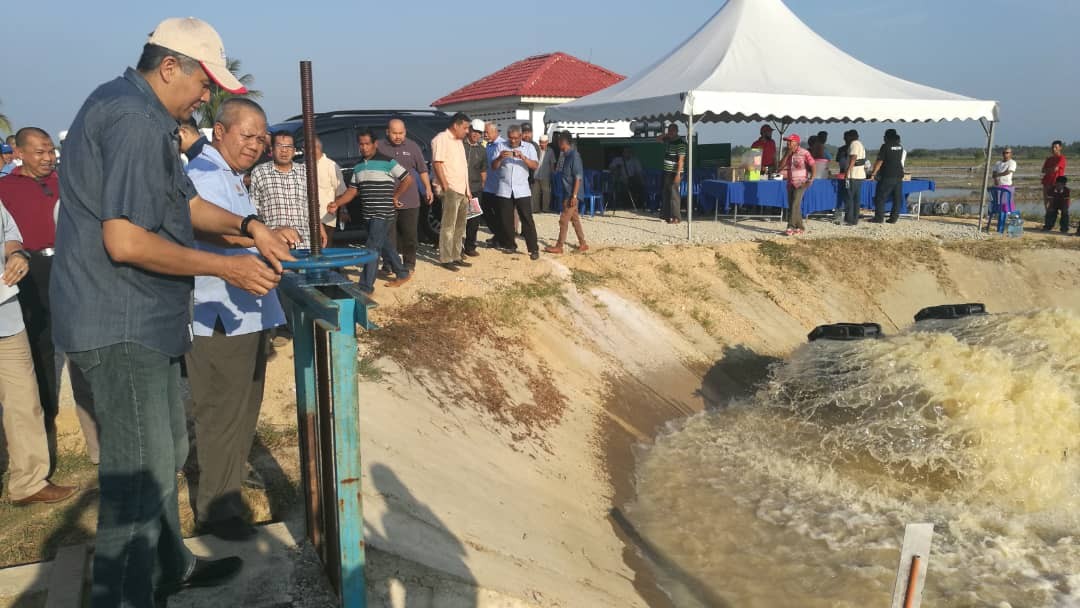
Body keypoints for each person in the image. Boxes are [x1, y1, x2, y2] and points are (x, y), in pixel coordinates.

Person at [51, 18, 297, 606]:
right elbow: (126, 242)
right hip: (122, 323)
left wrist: (248, 226)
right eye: (204, 83)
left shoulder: (149, 119)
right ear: (169, 67)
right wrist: (226, 267)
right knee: (138, 480)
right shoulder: (135, 121)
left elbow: (185, 205)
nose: (207, 96)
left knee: (166, 456)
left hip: (147, 322)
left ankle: (169, 567)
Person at [184, 98, 288, 541]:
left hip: (246, 310)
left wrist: (269, 235)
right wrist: (256, 233)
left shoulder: (229, 174)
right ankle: (216, 508)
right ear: (220, 132)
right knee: (221, 412)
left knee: (244, 406)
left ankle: (228, 483)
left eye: (260, 137)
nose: (255, 145)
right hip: (220, 312)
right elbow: (204, 227)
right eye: (247, 135)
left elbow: (237, 230)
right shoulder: (203, 174)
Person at [0, 127, 100, 466]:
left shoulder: (65, 182)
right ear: (20, 154)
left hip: (70, 266)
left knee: (83, 347)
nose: (48, 158)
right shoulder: (5, 188)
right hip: (29, 273)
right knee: (40, 353)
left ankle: (98, 440)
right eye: (40, 152)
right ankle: (43, 433)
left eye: (50, 151)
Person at [0, 201, 77, 505]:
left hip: (6, 315)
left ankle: (29, 482)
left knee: (24, 401)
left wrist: (17, 254)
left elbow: (9, 233)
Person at [329, 130, 414, 291]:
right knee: (384, 245)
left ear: (375, 144)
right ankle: (402, 273)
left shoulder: (388, 162)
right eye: (361, 144)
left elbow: (407, 178)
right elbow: (352, 191)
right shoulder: (359, 166)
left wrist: (395, 196)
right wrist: (337, 203)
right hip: (368, 214)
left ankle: (365, 287)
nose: (364, 147)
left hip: (383, 213)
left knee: (371, 248)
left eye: (367, 144)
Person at [251, 131, 326, 249]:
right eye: (280, 146)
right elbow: (253, 209)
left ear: (294, 150)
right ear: (272, 149)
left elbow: (313, 205)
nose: (284, 150)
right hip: (274, 242)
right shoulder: (259, 172)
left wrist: (320, 227)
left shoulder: (306, 172)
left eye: (288, 147)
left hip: (304, 242)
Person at [377, 119, 433, 272]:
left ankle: (409, 263)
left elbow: (422, 170)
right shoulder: (379, 147)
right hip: (386, 199)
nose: (398, 136)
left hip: (410, 199)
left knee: (410, 235)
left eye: (401, 133)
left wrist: (427, 188)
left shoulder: (412, 146)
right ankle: (389, 264)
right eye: (394, 133)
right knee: (389, 236)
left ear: (405, 132)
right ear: (387, 132)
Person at [430, 113, 472, 272]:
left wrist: (468, 190)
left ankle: (456, 255)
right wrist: (445, 186)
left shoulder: (459, 142)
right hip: (451, 189)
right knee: (448, 225)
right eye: (465, 127)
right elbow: (437, 163)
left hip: (462, 189)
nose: (467, 131)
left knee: (461, 225)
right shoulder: (441, 139)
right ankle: (446, 258)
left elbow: (462, 167)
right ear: (456, 125)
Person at [491, 125, 539, 259]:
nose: (513, 141)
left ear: (521, 136)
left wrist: (523, 158)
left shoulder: (529, 147)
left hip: (522, 189)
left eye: (516, 138)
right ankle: (510, 244)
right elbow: (493, 167)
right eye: (511, 138)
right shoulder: (501, 146)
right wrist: (500, 158)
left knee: (527, 219)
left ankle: (533, 249)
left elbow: (535, 165)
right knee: (506, 219)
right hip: (504, 188)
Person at [543, 132, 589, 254]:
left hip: (571, 194)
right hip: (567, 192)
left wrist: (574, 195)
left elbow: (578, 177)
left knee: (563, 220)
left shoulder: (574, 156)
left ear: (562, 142)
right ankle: (583, 243)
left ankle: (559, 246)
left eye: (558, 142)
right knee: (575, 220)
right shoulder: (566, 155)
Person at [777, 134, 815, 235]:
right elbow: (779, 167)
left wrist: (812, 178)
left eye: (790, 141)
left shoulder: (804, 153)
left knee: (795, 203)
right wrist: (787, 154)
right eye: (787, 141)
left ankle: (790, 226)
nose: (788, 143)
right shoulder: (788, 153)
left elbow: (813, 164)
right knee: (793, 205)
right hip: (790, 182)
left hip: (802, 183)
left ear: (796, 143)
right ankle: (800, 227)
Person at [312, 135, 346, 245]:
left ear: (317, 148)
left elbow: (340, 190)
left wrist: (343, 210)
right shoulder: (304, 166)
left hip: (326, 216)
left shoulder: (331, 165)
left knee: (325, 248)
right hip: (310, 217)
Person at [869, 129, 906, 223]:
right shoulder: (900, 147)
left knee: (880, 197)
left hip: (888, 175)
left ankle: (879, 218)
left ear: (887, 137)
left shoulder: (885, 146)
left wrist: (873, 173)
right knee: (897, 198)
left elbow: (880, 161)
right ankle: (894, 218)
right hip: (899, 175)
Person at [462, 120, 487, 256]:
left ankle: (470, 246)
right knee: (458, 220)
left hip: (475, 188)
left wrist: (483, 184)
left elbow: (483, 170)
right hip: (459, 188)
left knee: (474, 220)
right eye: (474, 131)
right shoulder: (460, 145)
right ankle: (456, 247)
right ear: (469, 130)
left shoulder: (482, 150)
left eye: (479, 133)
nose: (476, 135)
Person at [481, 122, 506, 247]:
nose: (485, 134)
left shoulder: (502, 145)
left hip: (499, 186)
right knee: (486, 211)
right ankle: (499, 235)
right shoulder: (488, 145)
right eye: (484, 132)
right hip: (487, 185)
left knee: (499, 214)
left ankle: (500, 238)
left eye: (487, 132)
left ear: (495, 132)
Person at [658, 124, 686, 223]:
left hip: (675, 172)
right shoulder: (669, 140)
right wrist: (667, 134)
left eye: (672, 130)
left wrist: (678, 174)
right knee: (666, 193)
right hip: (667, 171)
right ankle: (666, 215)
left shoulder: (681, 143)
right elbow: (658, 139)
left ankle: (676, 217)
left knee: (674, 194)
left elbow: (681, 160)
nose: (670, 132)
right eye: (669, 130)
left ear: (677, 131)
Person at [843, 130, 867, 225]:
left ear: (850, 137)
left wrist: (847, 172)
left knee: (850, 197)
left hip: (853, 175)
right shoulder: (860, 144)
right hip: (860, 175)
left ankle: (849, 219)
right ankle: (855, 219)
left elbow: (853, 158)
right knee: (856, 198)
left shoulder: (854, 144)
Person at [1042, 140, 1067, 212]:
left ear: (1060, 148)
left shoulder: (1061, 158)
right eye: (1053, 147)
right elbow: (1043, 170)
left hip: (1057, 183)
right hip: (1046, 182)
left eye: (1056, 147)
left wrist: (1048, 170)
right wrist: (1051, 169)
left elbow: (1055, 169)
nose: (1054, 149)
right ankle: (1048, 218)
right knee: (1046, 201)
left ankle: (1056, 219)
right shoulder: (1049, 159)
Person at [532, 134, 554, 213]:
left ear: (547, 142)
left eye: (544, 142)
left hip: (545, 175)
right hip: (535, 175)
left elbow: (552, 163)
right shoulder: (536, 150)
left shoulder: (550, 151)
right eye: (541, 142)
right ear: (539, 142)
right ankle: (535, 209)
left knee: (546, 193)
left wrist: (552, 174)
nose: (543, 144)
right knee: (535, 192)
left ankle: (545, 209)